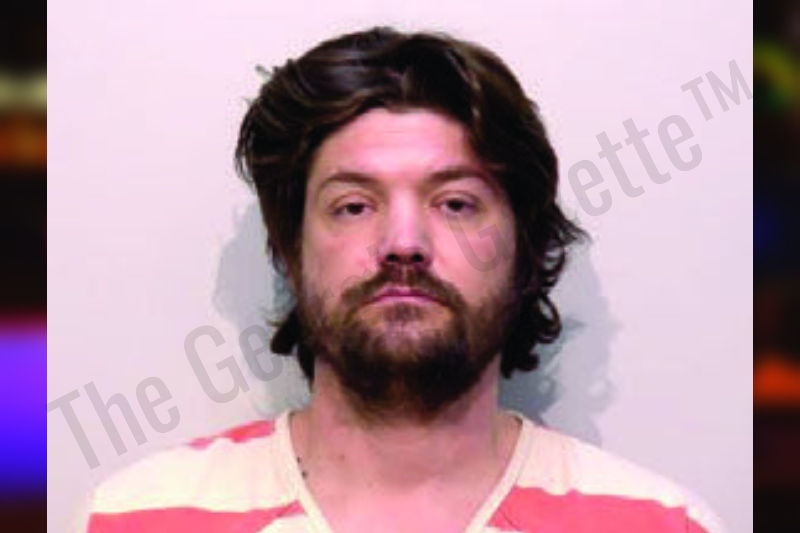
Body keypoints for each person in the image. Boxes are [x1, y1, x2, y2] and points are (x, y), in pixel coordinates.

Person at [86, 27, 722, 532]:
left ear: (524, 251)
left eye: (457, 203)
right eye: (353, 206)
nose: (404, 244)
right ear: (289, 250)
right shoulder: (137, 518)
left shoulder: (661, 525)